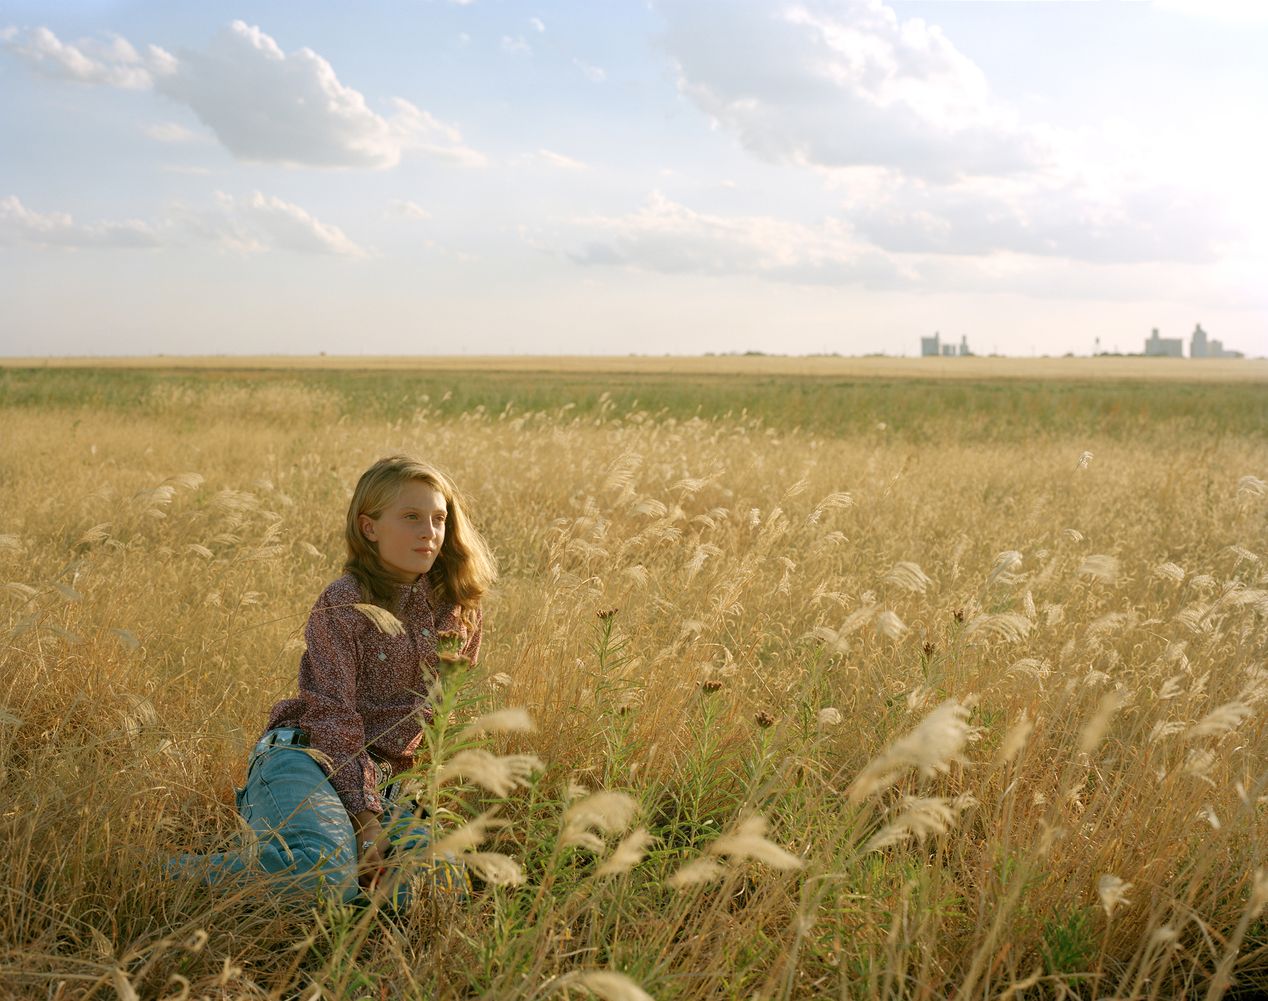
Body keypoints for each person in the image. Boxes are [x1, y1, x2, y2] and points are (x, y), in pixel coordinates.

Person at [171, 454, 497, 905]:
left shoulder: (461, 609)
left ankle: (296, 861)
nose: (430, 532)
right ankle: (144, 873)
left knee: (435, 889)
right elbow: (333, 716)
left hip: (388, 784)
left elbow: (438, 728)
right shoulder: (346, 601)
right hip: (310, 759)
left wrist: (411, 813)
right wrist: (367, 827)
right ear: (369, 528)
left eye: (439, 518)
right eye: (411, 517)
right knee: (320, 873)